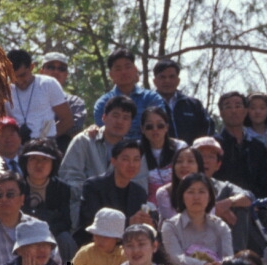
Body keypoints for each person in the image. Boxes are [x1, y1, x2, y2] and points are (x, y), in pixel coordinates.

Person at [60, 92, 138, 229]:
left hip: (121, 212)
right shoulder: (84, 141)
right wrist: (95, 195)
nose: (120, 121)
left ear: (131, 124)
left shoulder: (134, 151)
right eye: (115, 115)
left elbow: (138, 184)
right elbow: (68, 178)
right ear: (104, 117)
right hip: (85, 211)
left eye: (126, 118)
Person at [160, 173, 233, 265]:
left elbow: (229, 256)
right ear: (182, 196)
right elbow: (176, 258)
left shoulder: (220, 225)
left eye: (201, 192)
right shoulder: (170, 226)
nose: (196, 197)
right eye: (190, 192)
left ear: (210, 196)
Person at [74, 136, 153, 248]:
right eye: (125, 159)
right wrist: (128, 222)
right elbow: (90, 222)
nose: (132, 165)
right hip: (94, 246)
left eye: (136, 160)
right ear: (114, 161)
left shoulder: (139, 192)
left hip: (126, 248)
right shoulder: (93, 186)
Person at [186, 136, 255, 251]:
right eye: (201, 156)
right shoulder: (180, 185)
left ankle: (236, 258)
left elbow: (248, 197)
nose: (206, 161)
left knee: (240, 208)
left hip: (221, 244)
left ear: (218, 165)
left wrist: (226, 204)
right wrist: (213, 211)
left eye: (211, 157)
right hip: (189, 243)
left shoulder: (224, 187)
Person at [214, 91, 267, 199]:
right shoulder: (214, 146)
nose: (234, 111)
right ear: (221, 112)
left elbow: (264, 184)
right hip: (223, 204)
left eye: (238, 106)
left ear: (246, 111)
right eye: (228, 107)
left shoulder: (258, 147)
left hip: (254, 206)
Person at [19, 139, 73, 257]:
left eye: (45, 159)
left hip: (52, 233)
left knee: (66, 239)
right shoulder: (17, 185)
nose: (39, 164)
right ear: (25, 162)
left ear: (53, 163)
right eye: (34, 159)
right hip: (22, 232)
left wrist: (44, 229)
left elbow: (65, 222)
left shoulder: (62, 188)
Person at [3, 49, 72, 141]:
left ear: (32, 67)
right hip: (15, 148)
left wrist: (43, 139)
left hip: (43, 147)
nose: (19, 81)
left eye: (23, 75)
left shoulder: (48, 84)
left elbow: (67, 120)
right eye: (13, 77)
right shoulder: (4, 91)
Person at [93, 48, 164, 127]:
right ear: (111, 75)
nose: (124, 72)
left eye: (128, 67)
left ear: (135, 69)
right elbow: (103, 133)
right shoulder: (103, 103)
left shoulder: (151, 98)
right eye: (118, 69)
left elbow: (159, 128)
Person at [151, 57, 209, 142]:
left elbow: (207, 129)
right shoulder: (149, 104)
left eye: (171, 77)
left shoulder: (193, 105)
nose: (167, 81)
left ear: (178, 80)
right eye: (162, 77)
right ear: (155, 81)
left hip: (190, 154)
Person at [38, 52, 87, 144]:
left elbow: (74, 128)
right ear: (41, 72)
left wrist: (42, 135)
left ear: (66, 75)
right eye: (51, 67)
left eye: (61, 69)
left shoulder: (75, 102)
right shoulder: (30, 99)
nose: (56, 72)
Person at [137, 106, 188, 195]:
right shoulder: (136, 151)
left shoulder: (180, 147)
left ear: (167, 128)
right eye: (149, 126)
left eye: (160, 125)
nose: (155, 129)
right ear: (142, 129)